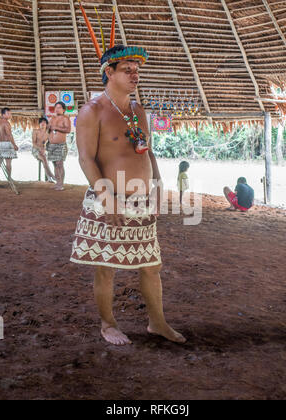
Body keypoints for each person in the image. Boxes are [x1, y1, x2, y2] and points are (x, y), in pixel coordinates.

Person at [70, 38, 186, 346]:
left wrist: (158, 187)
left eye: (137, 70)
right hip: (107, 201)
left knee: (151, 266)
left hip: (143, 200)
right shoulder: (90, 111)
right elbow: (86, 159)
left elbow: (148, 152)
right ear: (109, 72)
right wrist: (107, 200)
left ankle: (157, 322)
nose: (135, 76)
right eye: (127, 70)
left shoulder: (138, 110)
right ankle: (107, 324)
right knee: (107, 268)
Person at [46, 101, 71, 191]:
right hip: (51, 145)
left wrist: (56, 128)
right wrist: (48, 128)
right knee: (54, 164)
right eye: (56, 107)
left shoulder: (65, 118)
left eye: (59, 107)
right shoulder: (52, 119)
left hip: (61, 145)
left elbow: (68, 129)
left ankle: (61, 184)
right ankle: (57, 183)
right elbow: (48, 130)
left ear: (63, 109)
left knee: (60, 164)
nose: (57, 109)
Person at [32, 117, 56, 183]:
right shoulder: (35, 131)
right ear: (39, 124)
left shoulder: (48, 134)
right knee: (44, 158)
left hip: (43, 150)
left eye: (44, 122)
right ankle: (51, 175)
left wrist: (44, 149)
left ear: (46, 124)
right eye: (41, 122)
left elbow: (49, 143)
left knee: (44, 159)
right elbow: (33, 143)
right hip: (35, 149)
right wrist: (40, 148)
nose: (42, 124)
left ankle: (49, 178)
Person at [0, 107, 18, 180]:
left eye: (10, 113)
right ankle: (9, 178)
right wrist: (14, 145)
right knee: (8, 162)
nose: (10, 115)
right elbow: (9, 135)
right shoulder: (6, 123)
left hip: (0, 143)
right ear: (3, 115)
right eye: (8, 113)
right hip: (7, 144)